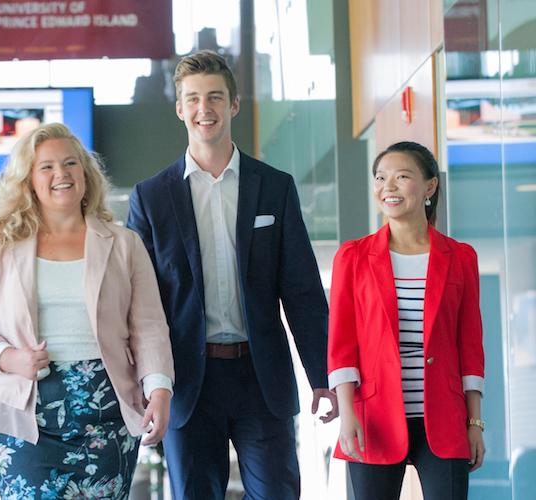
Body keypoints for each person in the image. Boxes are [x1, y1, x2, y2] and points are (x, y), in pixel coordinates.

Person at [125, 50, 338, 499]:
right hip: (187, 381)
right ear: (180, 108)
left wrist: (322, 373)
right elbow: (137, 305)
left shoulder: (274, 187)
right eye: (195, 99)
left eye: (216, 97)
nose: (206, 109)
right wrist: (145, 384)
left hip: (260, 377)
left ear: (234, 104)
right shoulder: (150, 198)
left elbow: (301, 290)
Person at [0, 123, 175, 499]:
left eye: (71, 163)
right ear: (29, 180)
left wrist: (159, 392)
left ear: (85, 174)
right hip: (20, 413)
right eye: (47, 167)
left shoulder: (124, 245)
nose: (62, 174)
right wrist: (7, 358)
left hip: (107, 411)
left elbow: (149, 327)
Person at [328, 141, 485, 500]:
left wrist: (474, 423)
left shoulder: (460, 258)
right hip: (374, 417)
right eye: (381, 177)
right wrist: (347, 412)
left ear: (429, 186)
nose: (388, 187)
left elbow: (470, 347)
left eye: (402, 176)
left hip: (444, 419)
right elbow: (341, 345)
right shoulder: (353, 257)